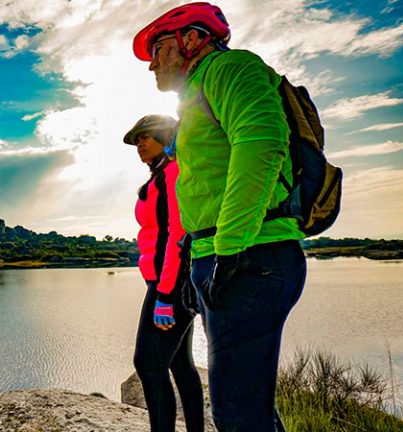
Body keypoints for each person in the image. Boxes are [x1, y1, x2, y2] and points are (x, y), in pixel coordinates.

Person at [133, 3, 307, 431]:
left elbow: (263, 143)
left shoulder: (230, 68)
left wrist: (229, 249)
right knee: (250, 407)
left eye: (159, 48)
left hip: (251, 258)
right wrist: (200, 255)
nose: (152, 63)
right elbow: (202, 191)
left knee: (237, 412)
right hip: (225, 258)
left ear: (191, 39)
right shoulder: (194, 97)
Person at [124, 114, 204, 432]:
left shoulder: (173, 172)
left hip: (171, 283)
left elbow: (178, 234)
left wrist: (166, 294)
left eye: (145, 136)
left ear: (166, 136)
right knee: (179, 363)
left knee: (148, 364)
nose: (139, 144)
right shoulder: (160, 174)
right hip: (168, 281)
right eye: (136, 140)